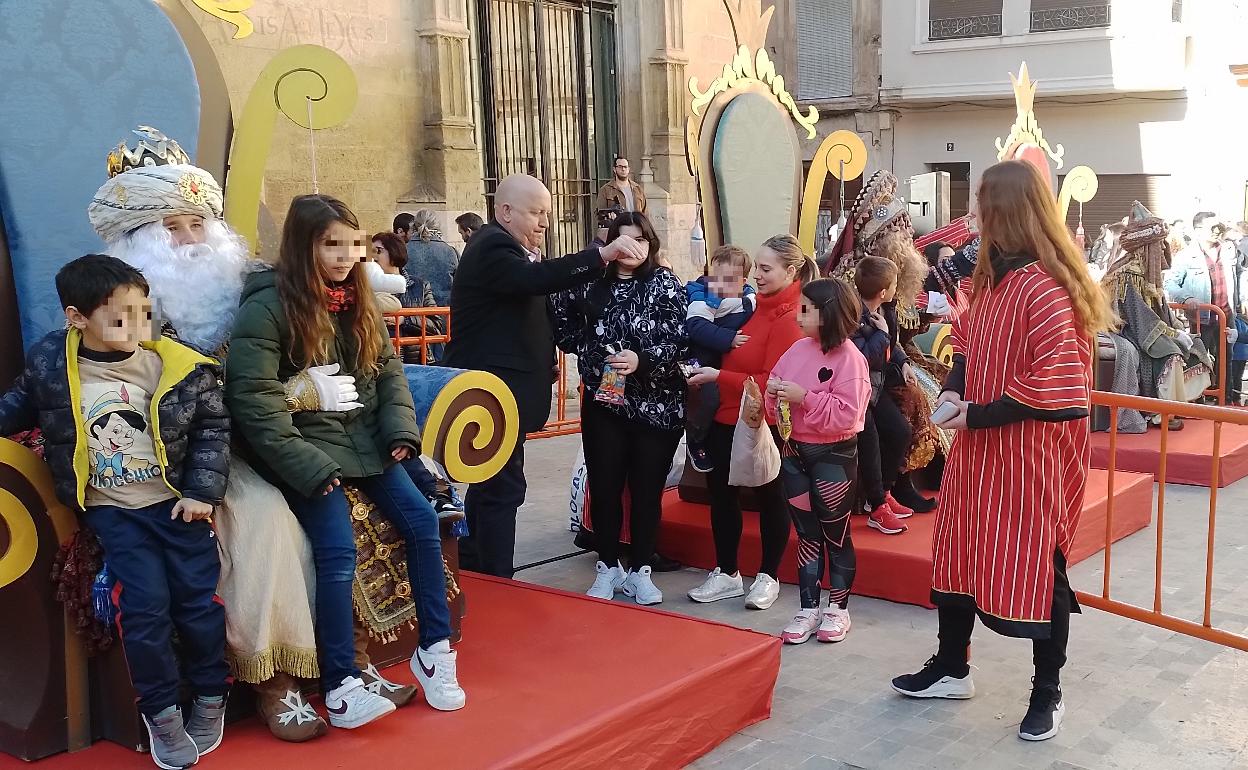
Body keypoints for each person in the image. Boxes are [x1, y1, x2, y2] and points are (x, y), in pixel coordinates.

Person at [89, 131, 363, 742]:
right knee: (265, 516)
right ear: (137, 241)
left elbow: (280, 358)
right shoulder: (120, 311)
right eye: (173, 228)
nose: (190, 241)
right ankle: (276, 681)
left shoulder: (243, 289)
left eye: (197, 224)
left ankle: (347, 661)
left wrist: (303, 386)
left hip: (263, 436)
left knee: (333, 492)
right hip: (183, 456)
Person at [891, 160, 1113, 742]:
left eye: (982, 205)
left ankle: (1048, 692)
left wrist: (981, 413)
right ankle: (951, 665)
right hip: (978, 451)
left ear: (1005, 210)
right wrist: (952, 392)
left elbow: (1060, 381)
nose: (974, 218)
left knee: (1041, 567)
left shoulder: (1046, 286)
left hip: (1029, 454)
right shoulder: (991, 280)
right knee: (958, 549)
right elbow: (965, 345)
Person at [226, 194, 467, 730]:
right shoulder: (268, 305)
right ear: (302, 245)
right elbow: (254, 399)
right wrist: (309, 467)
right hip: (309, 452)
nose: (344, 255)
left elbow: (388, 374)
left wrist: (401, 432)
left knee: (424, 524)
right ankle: (340, 684)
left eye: (352, 243)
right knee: (337, 553)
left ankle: (435, 650)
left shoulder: (359, 297)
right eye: (330, 244)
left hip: (369, 447)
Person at [0, 255, 230, 769]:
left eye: (143, 311)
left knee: (197, 605)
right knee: (145, 610)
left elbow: (213, 430)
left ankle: (212, 696)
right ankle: (162, 712)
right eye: (121, 315)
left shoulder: (175, 363)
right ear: (77, 318)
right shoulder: (51, 364)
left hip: (177, 507)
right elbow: (14, 407)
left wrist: (201, 492)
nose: (138, 325)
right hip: (114, 511)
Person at [442, 174, 645, 578]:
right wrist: (601, 256)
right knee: (502, 488)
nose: (545, 223)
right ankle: (496, 574)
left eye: (547, 214)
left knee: (493, 485)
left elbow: (525, 308)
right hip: (491, 395)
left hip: (502, 391)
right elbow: (534, 281)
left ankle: (478, 562)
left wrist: (542, 356)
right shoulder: (493, 246)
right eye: (536, 213)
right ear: (505, 212)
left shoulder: (506, 250)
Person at [553, 212, 688, 605]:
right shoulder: (591, 283)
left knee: (647, 491)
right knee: (606, 486)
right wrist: (590, 350)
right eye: (623, 240)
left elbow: (679, 339)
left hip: (656, 406)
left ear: (651, 245)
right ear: (610, 244)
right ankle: (607, 566)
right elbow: (561, 313)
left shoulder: (664, 283)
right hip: (605, 402)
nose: (632, 248)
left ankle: (641, 569)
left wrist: (641, 359)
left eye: (640, 241)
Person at [685, 234, 817, 609]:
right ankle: (727, 572)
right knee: (722, 496)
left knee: (770, 497)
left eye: (764, 268)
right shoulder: (754, 306)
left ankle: (768, 576)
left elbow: (772, 381)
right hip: (725, 417)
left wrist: (716, 376)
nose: (755, 275)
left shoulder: (790, 317)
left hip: (763, 422)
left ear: (790, 271)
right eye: (756, 267)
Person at [824, 170, 942, 510]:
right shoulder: (858, 281)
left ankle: (906, 481)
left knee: (931, 385)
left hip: (891, 360)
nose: (908, 239)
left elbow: (899, 330)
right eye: (901, 232)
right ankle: (894, 486)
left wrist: (904, 358)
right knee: (914, 402)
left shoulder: (889, 281)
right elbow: (862, 343)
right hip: (862, 375)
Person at [765, 277, 870, 644]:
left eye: (805, 308)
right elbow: (774, 388)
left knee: (835, 533)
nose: (798, 313)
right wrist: (772, 395)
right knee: (807, 533)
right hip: (794, 452)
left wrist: (803, 396)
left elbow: (849, 415)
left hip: (834, 455)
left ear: (826, 313)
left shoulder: (851, 359)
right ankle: (808, 606)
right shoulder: (796, 350)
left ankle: (838, 608)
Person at [1099, 203, 1211, 431]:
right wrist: (1172, 334)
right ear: (1145, 247)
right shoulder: (1128, 275)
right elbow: (1140, 317)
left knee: (1194, 344)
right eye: (1159, 245)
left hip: (1147, 329)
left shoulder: (1148, 274)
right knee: (1170, 353)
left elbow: (1160, 311)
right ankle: (1160, 413)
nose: (1163, 250)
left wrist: (1177, 328)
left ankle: (1174, 407)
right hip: (1127, 332)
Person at [850, 256, 915, 534]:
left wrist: (903, 362)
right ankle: (876, 505)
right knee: (871, 443)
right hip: (856, 392)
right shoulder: (853, 316)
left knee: (901, 431)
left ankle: (886, 491)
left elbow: (892, 345)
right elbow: (860, 358)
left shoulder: (886, 310)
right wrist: (882, 335)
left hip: (877, 389)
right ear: (883, 291)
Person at [684, 244, 756, 472]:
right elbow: (695, 326)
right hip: (695, 359)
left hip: (720, 361)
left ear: (743, 281)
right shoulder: (704, 297)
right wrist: (729, 339)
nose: (719, 285)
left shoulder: (749, 299)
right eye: (715, 277)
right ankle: (695, 439)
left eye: (728, 280)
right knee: (710, 397)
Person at [1165, 211, 1244, 403]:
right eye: (1212, 227)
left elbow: (1240, 276)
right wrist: (1187, 297)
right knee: (1198, 356)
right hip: (1201, 317)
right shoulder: (1187, 256)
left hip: (1226, 314)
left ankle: (1224, 398)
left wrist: (1242, 299)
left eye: (1220, 227)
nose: (1217, 231)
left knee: (1227, 356)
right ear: (1198, 231)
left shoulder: (1229, 251)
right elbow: (1171, 283)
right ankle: (1197, 399)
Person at [372, 231, 444, 364]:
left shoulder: (419, 286)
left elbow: (436, 325)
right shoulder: (366, 288)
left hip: (417, 362)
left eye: (378, 251)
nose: (372, 257)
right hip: (380, 362)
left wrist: (405, 320)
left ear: (394, 252)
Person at [405, 209, 460, 307]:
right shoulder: (450, 251)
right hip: (444, 315)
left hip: (412, 315)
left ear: (414, 226)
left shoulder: (403, 251)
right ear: (438, 227)